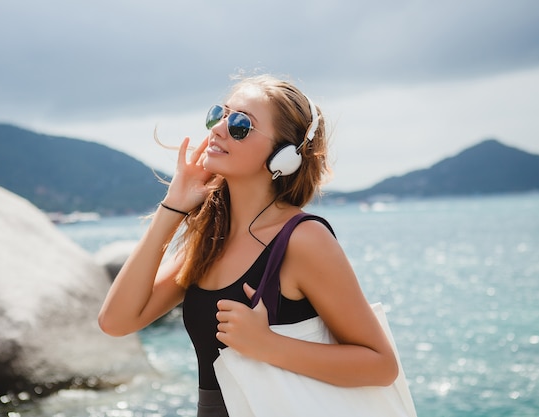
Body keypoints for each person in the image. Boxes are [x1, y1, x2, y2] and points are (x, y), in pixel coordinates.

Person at [98, 74, 399, 416]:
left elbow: (380, 365)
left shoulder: (303, 239)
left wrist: (267, 345)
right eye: (219, 114)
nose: (219, 129)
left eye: (241, 124)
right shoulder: (209, 236)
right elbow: (116, 322)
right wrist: (172, 208)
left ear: (283, 156)